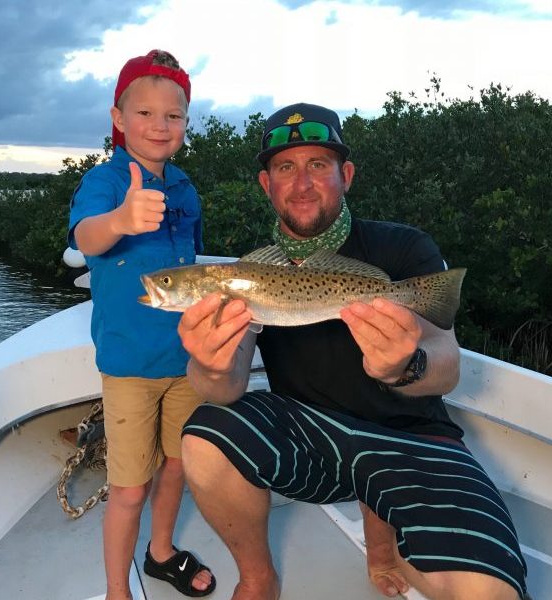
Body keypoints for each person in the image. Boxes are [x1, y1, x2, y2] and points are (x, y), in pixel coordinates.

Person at [177, 102, 528, 600]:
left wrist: (405, 367)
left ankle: (386, 534)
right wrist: (207, 363)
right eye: (285, 168)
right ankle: (258, 577)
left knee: (489, 593)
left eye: (317, 165)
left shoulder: (404, 248)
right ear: (266, 184)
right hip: (312, 435)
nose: (301, 183)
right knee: (205, 433)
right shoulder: (248, 275)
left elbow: (447, 366)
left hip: (413, 436)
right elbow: (226, 387)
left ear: (346, 174)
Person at [67, 50, 215, 599]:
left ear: (184, 123)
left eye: (173, 115)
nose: (160, 125)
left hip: (186, 360)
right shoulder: (105, 182)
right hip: (129, 367)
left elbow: (194, 268)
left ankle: (160, 553)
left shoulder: (184, 189)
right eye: (146, 113)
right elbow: (86, 239)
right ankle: (116, 590)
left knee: (178, 466)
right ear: (118, 117)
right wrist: (122, 220)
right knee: (129, 489)